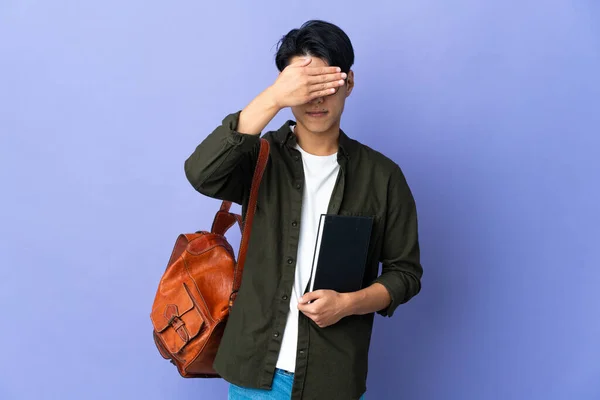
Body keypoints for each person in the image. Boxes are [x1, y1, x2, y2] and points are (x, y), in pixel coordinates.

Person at [184, 20, 423, 400]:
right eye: (302, 85)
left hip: (332, 378)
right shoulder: (258, 158)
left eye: (325, 83)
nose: (315, 99)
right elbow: (200, 173)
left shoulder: (383, 176)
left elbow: (405, 273)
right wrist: (273, 98)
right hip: (253, 375)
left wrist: (349, 303)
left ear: (349, 83)